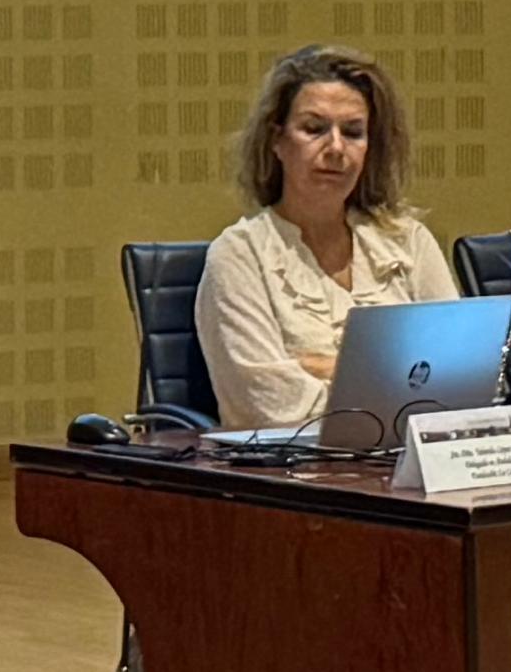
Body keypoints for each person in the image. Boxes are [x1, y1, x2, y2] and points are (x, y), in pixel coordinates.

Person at [190, 47, 454, 432]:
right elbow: (272, 407)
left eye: (353, 132)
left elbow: (459, 380)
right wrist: (402, 377)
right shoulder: (239, 255)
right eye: (314, 129)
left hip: (411, 458)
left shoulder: (408, 241)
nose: (336, 148)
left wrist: (323, 367)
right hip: (295, 465)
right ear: (277, 140)